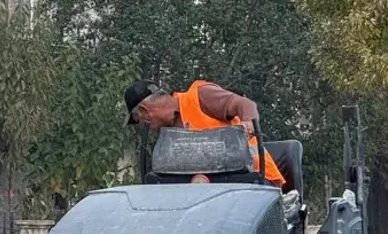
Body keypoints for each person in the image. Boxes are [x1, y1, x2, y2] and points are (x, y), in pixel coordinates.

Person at [123, 79, 286, 188]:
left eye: (141, 120)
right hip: (215, 189)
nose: (147, 127)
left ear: (145, 111)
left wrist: (248, 123)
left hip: (257, 180)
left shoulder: (199, 96)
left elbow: (244, 104)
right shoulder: (168, 137)